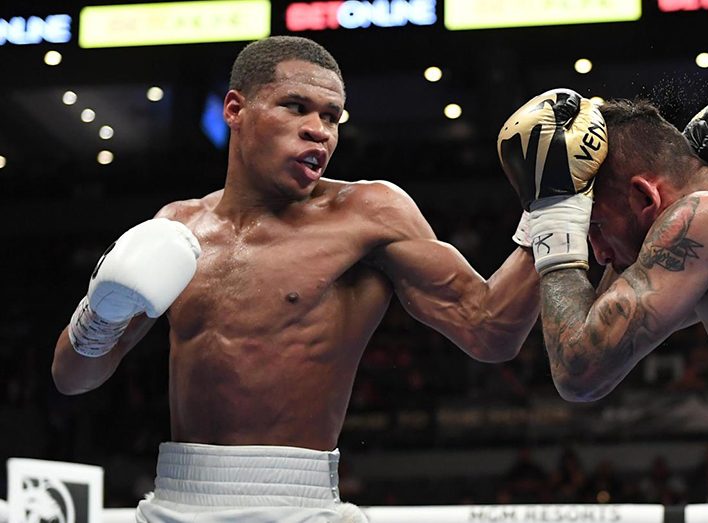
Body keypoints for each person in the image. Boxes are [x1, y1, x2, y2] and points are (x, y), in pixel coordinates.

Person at [51, 36, 541, 523]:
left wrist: (550, 211)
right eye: (296, 107)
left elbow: (488, 330)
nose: (319, 131)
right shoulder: (177, 227)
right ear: (235, 109)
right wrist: (102, 314)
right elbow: (73, 378)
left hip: (297, 503)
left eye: (331, 116)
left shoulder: (368, 213)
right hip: (175, 501)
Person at [497, 87, 708, 522]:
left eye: (594, 226)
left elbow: (580, 368)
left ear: (645, 198)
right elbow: (603, 315)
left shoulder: (705, 219)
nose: (596, 252)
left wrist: (555, 221)